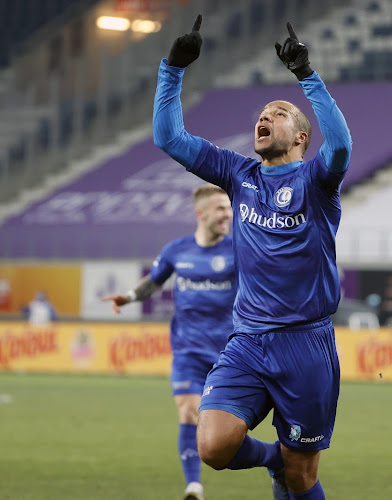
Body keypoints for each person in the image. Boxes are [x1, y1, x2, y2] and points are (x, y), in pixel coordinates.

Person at [152, 16, 352, 500]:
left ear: (301, 137)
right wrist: (173, 69)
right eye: (262, 113)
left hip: (306, 346)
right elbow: (169, 139)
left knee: (304, 477)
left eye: (279, 113)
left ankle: (288, 468)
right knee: (214, 446)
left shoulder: (315, 183)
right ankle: (273, 460)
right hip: (247, 340)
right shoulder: (238, 174)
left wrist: (306, 76)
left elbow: (342, 145)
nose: (264, 118)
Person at [102, 183, 236, 500]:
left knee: (226, 433)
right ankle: (194, 486)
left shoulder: (237, 249)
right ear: (200, 213)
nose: (227, 214)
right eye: (220, 208)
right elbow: (154, 281)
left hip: (230, 354)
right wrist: (130, 296)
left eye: (228, 208)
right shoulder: (178, 249)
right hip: (188, 351)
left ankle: (273, 460)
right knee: (188, 411)